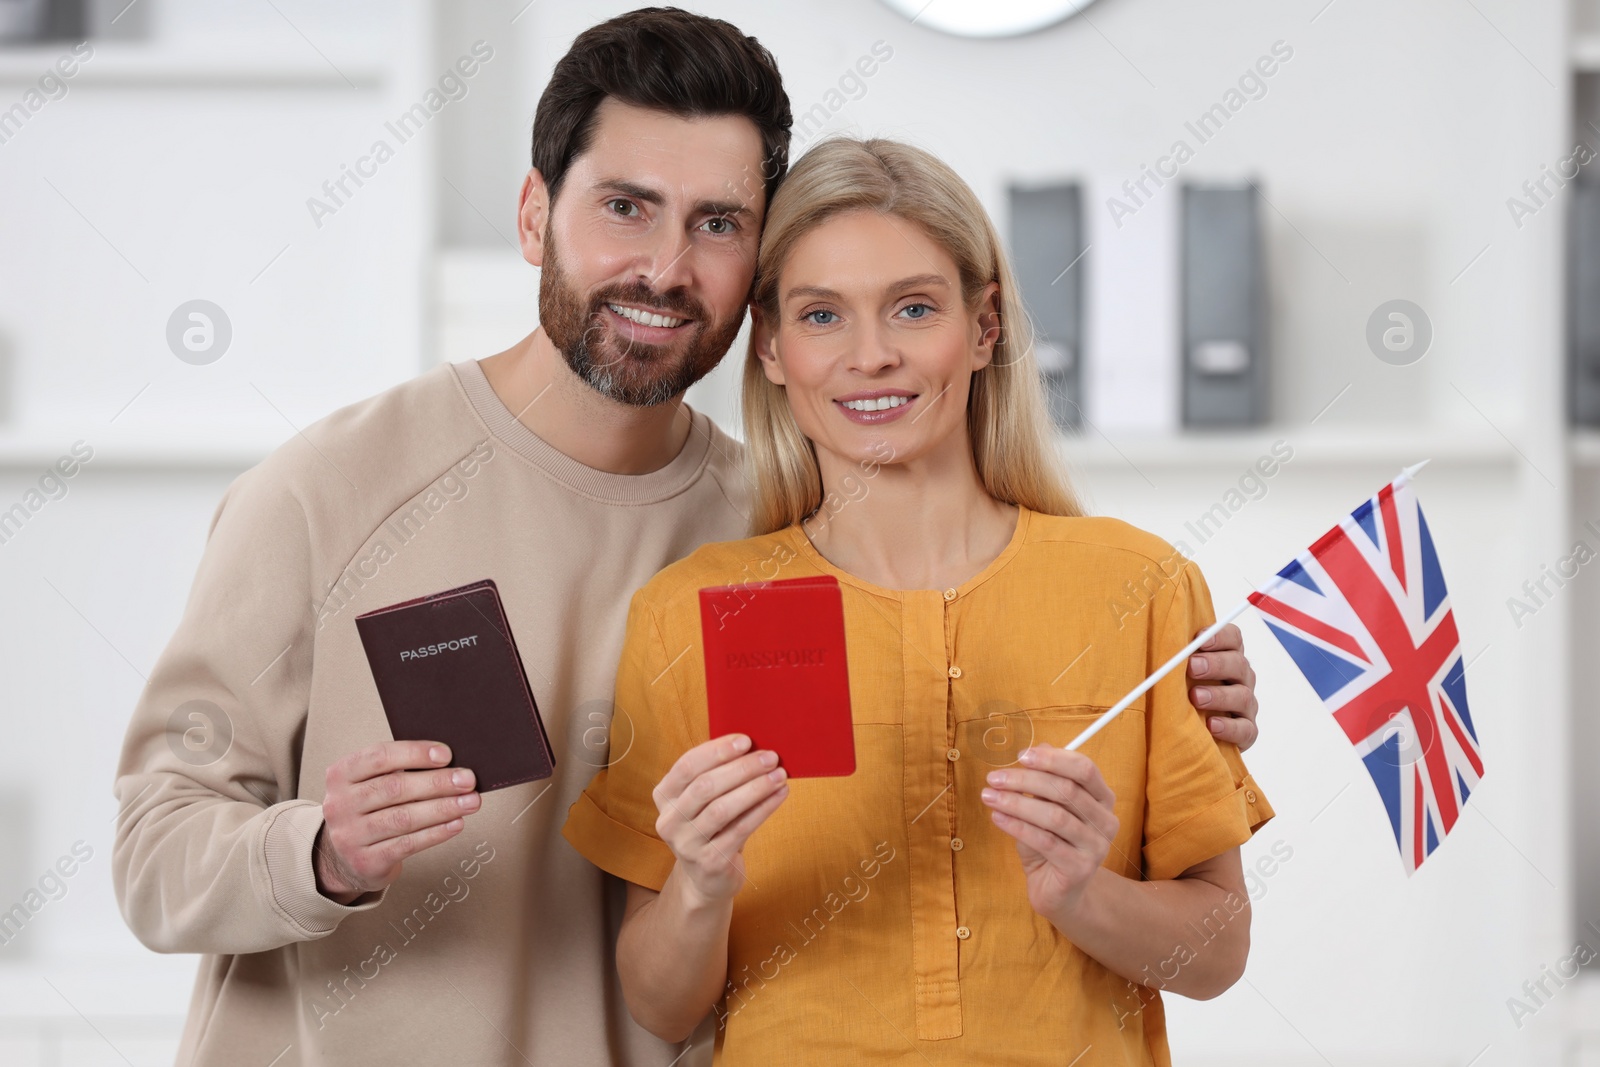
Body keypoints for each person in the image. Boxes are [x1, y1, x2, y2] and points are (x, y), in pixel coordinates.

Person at [111, 8, 1265, 1066]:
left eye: (716, 224)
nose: (665, 268)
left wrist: (1168, 679)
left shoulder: (760, 536)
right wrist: (322, 851)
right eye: (624, 206)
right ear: (532, 214)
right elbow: (153, 854)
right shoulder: (325, 491)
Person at [562, 137, 1273, 1066]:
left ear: (983, 327)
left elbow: (1215, 953)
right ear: (772, 348)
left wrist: (1080, 892)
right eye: (822, 315)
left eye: (913, 308)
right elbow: (660, 1005)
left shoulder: (1140, 585)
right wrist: (699, 881)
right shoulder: (694, 610)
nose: (872, 356)